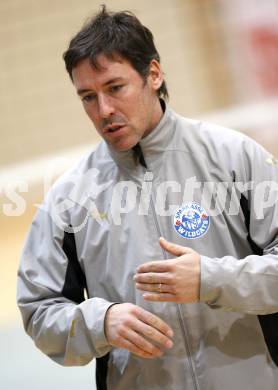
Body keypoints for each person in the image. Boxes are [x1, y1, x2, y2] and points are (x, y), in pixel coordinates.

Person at [17, 6, 278, 390]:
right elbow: (39, 312)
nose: (104, 110)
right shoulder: (69, 199)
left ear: (153, 74)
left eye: (115, 88)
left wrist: (211, 279)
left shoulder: (236, 158)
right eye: (88, 97)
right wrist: (101, 322)